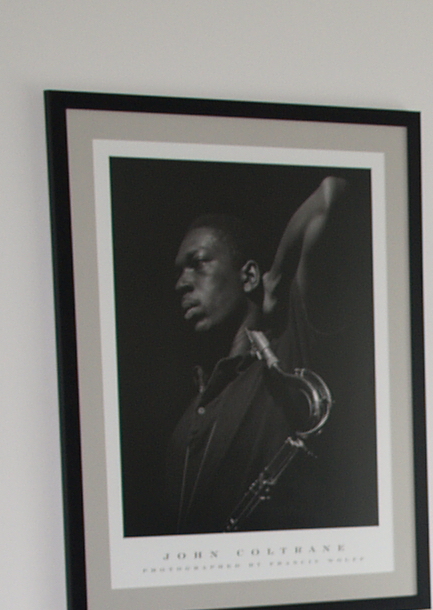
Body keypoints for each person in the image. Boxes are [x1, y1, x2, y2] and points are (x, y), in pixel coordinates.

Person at [152, 180, 364, 537]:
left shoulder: (290, 351)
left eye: (197, 264)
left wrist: (277, 277)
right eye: (178, 273)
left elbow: (331, 196)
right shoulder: (192, 410)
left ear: (249, 276)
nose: (181, 284)